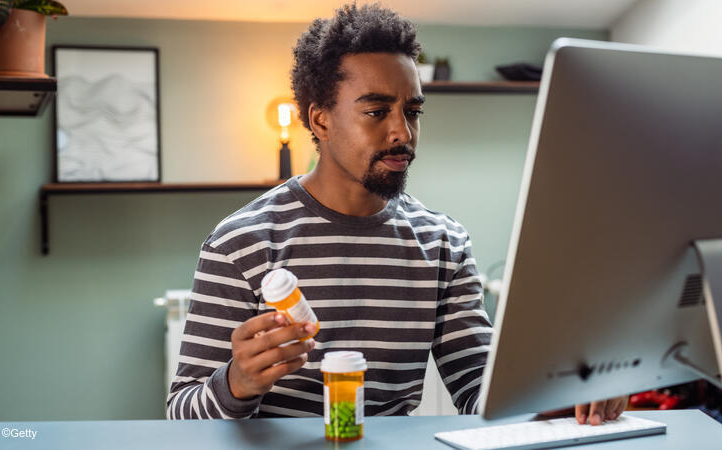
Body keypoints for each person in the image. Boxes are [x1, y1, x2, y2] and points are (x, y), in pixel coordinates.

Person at [166, 3, 626, 425]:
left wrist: (570, 389)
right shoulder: (240, 242)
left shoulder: (443, 243)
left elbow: (479, 390)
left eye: (413, 111)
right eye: (376, 111)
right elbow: (180, 414)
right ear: (320, 120)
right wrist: (237, 384)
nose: (401, 132)